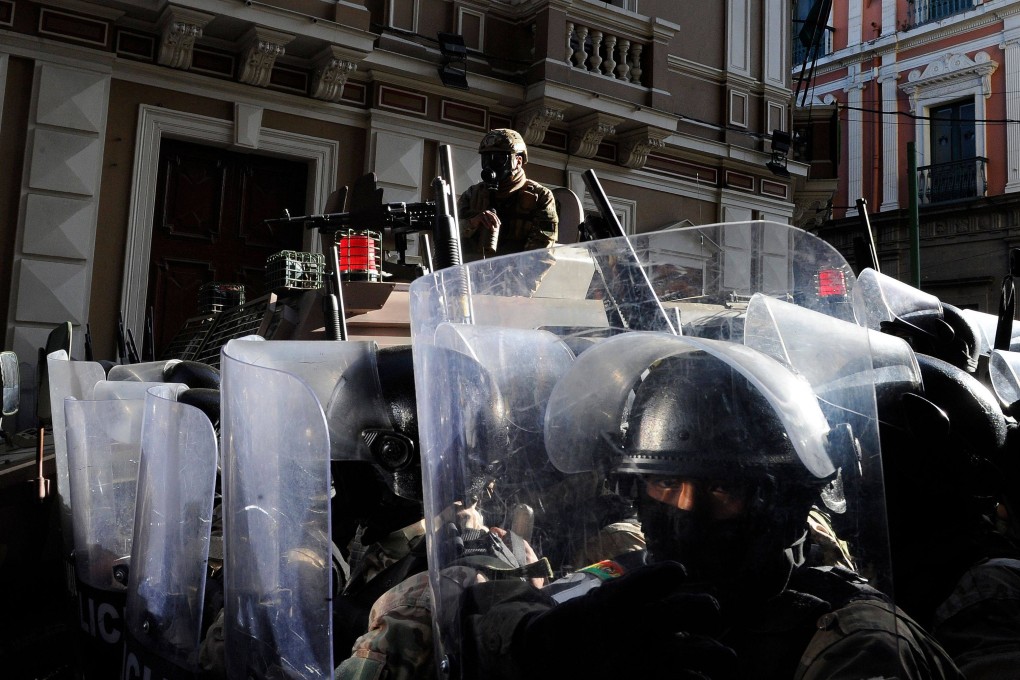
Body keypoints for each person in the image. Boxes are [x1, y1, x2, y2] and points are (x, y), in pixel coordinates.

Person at [458, 336, 964, 680]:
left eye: (723, 487)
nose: (686, 512)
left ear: (785, 500)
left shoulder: (855, 644)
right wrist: (538, 647)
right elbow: (471, 628)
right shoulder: (623, 585)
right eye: (664, 482)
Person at [457, 129, 558, 264]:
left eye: (499, 158)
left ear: (518, 161)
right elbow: (450, 236)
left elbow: (541, 255)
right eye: (486, 158)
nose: (490, 164)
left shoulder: (540, 196)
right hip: (471, 278)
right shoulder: (473, 194)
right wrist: (473, 222)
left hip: (512, 278)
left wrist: (519, 283)